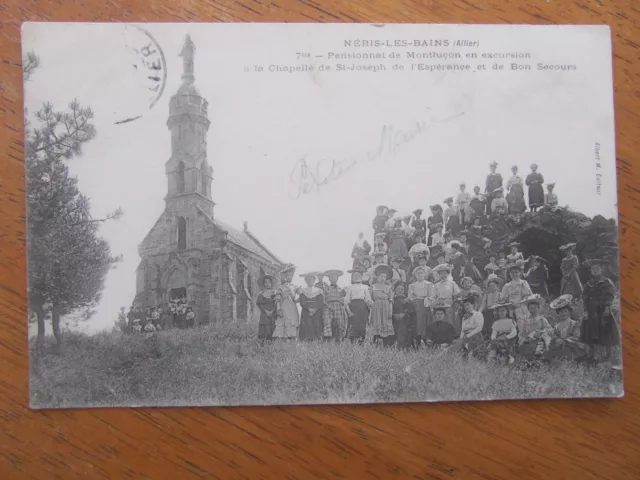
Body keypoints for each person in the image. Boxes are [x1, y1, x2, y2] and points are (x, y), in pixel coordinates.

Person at [581, 258, 619, 362]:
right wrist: (585, 311)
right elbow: (585, 297)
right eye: (593, 268)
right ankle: (592, 355)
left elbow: (610, 295)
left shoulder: (606, 282)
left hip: (602, 311)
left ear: (601, 269)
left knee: (605, 332)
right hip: (591, 311)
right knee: (590, 332)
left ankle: (607, 356)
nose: (595, 270)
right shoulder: (589, 284)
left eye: (597, 268)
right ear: (591, 270)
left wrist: (607, 307)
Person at [544, 294, 588, 361]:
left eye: (565, 311)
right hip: (560, 345)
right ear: (558, 313)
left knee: (568, 351)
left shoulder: (574, 324)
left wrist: (565, 341)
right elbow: (554, 335)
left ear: (570, 312)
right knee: (549, 350)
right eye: (561, 312)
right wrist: (557, 339)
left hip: (572, 345)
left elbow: (577, 336)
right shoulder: (557, 326)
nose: (563, 314)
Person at [344, 267, 374, 344]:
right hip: (353, 307)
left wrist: (370, 303)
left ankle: (361, 342)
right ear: (352, 277)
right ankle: (352, 342)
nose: (356, 277)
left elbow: (367, 298)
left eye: (358, 275)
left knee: (362, 325)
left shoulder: (365, 287)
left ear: (361, 276)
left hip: (362, 307)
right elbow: (347, 301)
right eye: (355, 275)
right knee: (353, 325)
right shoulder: (349, 288)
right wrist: (349, 312)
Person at [517, 294, 552, 359]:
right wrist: (524, 336)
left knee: (539, 347)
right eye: (530, 308)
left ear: (538, 308)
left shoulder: (542, 319)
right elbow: (522, 332)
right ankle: (527, 361)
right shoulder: (525, 320)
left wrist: (541, 332)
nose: (532, 310)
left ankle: (538, 358)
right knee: (524, 347)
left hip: (539, 339)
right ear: (528, 309)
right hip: (528, 339)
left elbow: (550, 330)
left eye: (534, 308)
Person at [450, 293, 485, 358]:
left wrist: (468, 336)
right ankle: (452, 358)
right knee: (456, 344)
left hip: (475, 336)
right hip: (465, 336)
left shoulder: (477, 314)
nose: (466, 307)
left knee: (465, 346)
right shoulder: (464, 317)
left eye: (468, 305)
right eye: (465, 305)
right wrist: (461, 337)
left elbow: (479, 328)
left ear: (473, 305)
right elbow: (463, 330)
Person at [429, 263, 461, 334]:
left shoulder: (452, 283)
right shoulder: (436, 285)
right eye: (441, 273)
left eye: (444, 273)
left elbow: (457, 294)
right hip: (439, 305)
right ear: (439, 275)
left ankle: (450, 337)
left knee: (449, 321)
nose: (443, 275)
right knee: (440, 321)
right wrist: (436, 302)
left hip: (449, 304)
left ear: (447, 274)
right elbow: (433, 297)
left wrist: (454, 300)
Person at [408, 266, 434, 347]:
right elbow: (411, 297)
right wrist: (416, 299)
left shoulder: (429, 284)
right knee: (417, 322)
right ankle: (418, 341)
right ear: (415, 275)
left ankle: (427, 340)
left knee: (426, 321)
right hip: (416, 305)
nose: (420, 274)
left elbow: (431, 296)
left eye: (421, 273)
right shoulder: (412, 285)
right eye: (418, 273)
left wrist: (427, 300)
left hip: (426, 304)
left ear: (425, 274)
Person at [370, 264, 395, 346]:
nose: (383, 278)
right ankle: (376, 342)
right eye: (381, 276)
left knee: (386, 323)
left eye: (384, 276)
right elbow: (370, 298)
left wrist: (390, 310)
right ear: (377, 277)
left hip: (386, 306)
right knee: (377, 323)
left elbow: (390, 300)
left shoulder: (388, 287)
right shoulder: (373, 287)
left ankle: (386, 343)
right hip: (376, 306)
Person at [274, 264, 300, 340]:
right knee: (284, 322)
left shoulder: (295, 286)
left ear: (292, 276)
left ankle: (292, 339)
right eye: (287, 275)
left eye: (290, 275)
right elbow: (277, 299)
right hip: (284, 307)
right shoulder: (280, 287)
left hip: (292, 307)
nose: (289, 277)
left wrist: (296, 300)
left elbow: (303, 295)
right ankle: (284, 340)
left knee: (293, 322)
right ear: (285, 277)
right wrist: (278, 309)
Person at [322, 270, 348, 341]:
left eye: (335, 277)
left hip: (339, 307)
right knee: (327, 321)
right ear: (329, 279)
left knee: (341, 321)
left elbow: (345, 298)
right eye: (331, 277)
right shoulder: (326, 288)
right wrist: (329, 306)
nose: (333, 279)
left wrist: (342, 301)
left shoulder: (341, 289)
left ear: (337, 279)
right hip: (329, 307)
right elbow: (323, 300)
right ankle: (328, 339)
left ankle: (340, 338)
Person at [298, 273, 325, 341]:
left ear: (314, 280)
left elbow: (321, 302)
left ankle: (317, 339)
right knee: (307, 324)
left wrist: (315, 309)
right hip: (306, 310)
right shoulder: (303, 290)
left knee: (317, 324)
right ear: (305, 281)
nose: (310, 281)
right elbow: (302, 302)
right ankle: (307, 340)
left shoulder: (319, 290)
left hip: (317, 310)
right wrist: (309, 309)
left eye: (311, 279)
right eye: (308, 280)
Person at [392, 283, 416, 350]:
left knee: (403, 328)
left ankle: (403, 345)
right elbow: (389, 309)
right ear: (395, 290)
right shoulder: (392, 300)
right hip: (394, 320)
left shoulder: (407, 300)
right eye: (398, 289)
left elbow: (411, 310)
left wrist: (404, 314)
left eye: (402, 289)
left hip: (405, 320)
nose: (400, 290)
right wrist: (393, 314)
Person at [256, 274, 278, 344]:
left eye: (269, 282)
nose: (267, 284)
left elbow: (276, 303)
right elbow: (259, 304)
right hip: (264, 314)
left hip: (273, 314)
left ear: (271, 283)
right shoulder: (261, 293)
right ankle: (263, 345)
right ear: (263, 284)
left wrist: (272, 311)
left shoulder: (274, 293)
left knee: (272, 327)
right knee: (264, 329)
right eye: (265, 282)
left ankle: (272, 345)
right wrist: (266, 311)